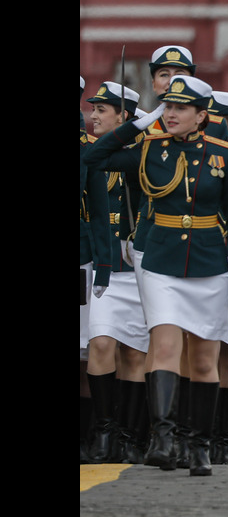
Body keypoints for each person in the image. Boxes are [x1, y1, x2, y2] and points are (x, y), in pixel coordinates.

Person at [83, 75, 228, 476]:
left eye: (180, 108)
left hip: (210, 262)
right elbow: (93, 158)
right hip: (159, 260)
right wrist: (139, 123)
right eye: (167, 106)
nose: (171, 114)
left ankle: (199, 444)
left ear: (201, 115)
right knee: (165, 346)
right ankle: (164, 435)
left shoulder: (222, 154)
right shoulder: (148, 148)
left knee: (205, 360)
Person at [84, 81, 151, 464]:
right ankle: (105, 429)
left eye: (102, 110)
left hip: (137, 268)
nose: (93, 115)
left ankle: (130, 433)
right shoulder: (94, 154)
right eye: (93, 109)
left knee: (135, 355)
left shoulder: (142, 156)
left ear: (123, 117)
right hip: (105, 268)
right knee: (101, 345)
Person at [79, 75, 114, 463]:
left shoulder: (89, 151)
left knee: (85, 353)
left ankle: (89, 434)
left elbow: (101, 214)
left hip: (82, 255)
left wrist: (103, 268)